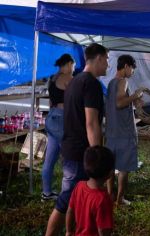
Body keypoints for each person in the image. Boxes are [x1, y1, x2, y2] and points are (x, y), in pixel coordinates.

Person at [45, 43, 109, 236]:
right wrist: (98, 157)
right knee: (65, 200)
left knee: (73, 200)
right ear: (98, 58)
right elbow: (91, 123)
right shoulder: (90, 83)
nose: (107, 64)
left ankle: (69, 232)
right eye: (106, 60)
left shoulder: (74, 81)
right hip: (81, 152)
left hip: (71, 147)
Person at [105, 54, 142, 206]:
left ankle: (109, 196)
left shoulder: (110, 83)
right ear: (126, 66)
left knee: (110, 166)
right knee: (124, 168)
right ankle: (120, 199)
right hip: (124, 133)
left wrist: (133, 102)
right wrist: (135, 96)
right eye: (132, 68)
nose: (132, 72)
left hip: (112, 131)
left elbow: (116, 104)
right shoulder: (123, 81)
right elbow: (120, 103)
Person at [42, 54, 75, 201]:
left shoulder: (52, 79)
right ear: (68, 64)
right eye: (73, 66)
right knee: (68, 158)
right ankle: (67, 193)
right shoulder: (69, 79)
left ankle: (46, 193)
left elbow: (50, 103)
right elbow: (75, 102)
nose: (73, 69)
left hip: (51, 117)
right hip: (63, 119)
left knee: (49, 160)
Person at [66, 146, 115, 236]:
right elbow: (103, 231)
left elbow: (70, 210)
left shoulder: (79, 186)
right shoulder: (103, 199)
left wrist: (68, 231)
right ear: (109, 173)